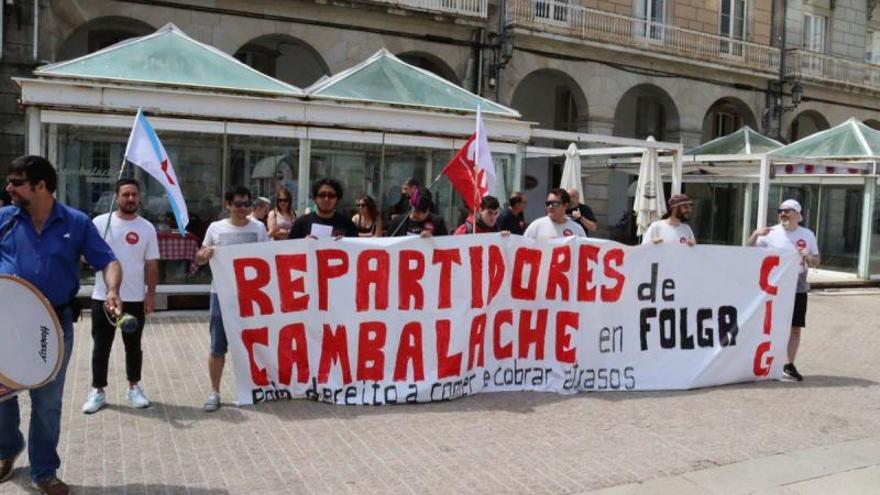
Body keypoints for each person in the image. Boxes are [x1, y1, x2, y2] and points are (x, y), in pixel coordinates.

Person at [0, 155, 121, 495]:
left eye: (16, 181)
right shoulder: (5, 219)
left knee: (47, 401)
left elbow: (108, 260)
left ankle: (44, 471)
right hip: (5, 324)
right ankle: (6, 449)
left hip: (53, 325)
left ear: (40, 186)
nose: (9, 187)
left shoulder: (76, 222)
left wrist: (112, 289)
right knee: (1, 395)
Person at [82, 179, 159, 415]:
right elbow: (85, 257)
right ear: (116, 197)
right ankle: (98, 391)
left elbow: (152, 264)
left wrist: (151, 294)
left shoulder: (147, 228)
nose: (130, 199)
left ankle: (134, 387)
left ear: (140, 198)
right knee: (101, 346)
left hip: (134, 298)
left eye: (134, 195)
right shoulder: (100, 223)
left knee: (133, 346)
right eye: (125, 194)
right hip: (103, 297)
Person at [195, 186, 270, 412]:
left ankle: (252, 389)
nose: (243, 208)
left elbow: (270, 256)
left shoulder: (259, 228)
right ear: (228, 205)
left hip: (252, 296)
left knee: (253, 343)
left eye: (247, 204)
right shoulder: (215, 228)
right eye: (238, 204)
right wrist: (203, 255)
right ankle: (214, 391)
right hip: (221, 294)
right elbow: (199, 258)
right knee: (218, 345)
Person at [748, 199, 820, 382]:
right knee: (769, 327)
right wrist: (756, 234)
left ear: (797, 214)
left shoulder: (808, 235)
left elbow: (817, 261)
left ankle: (789, 364)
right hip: (773, 288)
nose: (783, 214)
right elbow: (747, 250)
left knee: (795, 328)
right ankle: (762, 363)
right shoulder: (770, 233)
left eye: (787, 211)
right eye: (780, 211)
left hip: (798, 287)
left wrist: (807, 256)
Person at [289, 178, 359, 239]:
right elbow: (288, 249)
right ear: (315, 198)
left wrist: (346, 243)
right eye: (322, 195)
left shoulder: (348, 225)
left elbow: (357, 250)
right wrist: (303, 243)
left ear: (337, 199)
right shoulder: (301, 224)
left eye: (331, 195)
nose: (326, 199)